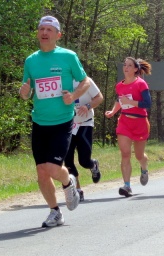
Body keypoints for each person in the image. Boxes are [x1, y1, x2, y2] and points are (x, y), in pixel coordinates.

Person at [19, 16, 90, 227]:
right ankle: (55, 212)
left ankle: (69, 182)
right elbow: (26, 92)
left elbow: (85, 81)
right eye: (41, 28)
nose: (44, 33)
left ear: (58, 35)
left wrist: (73, 95)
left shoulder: (68, 57)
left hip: (62, 120)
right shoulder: (31, 60)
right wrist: (24, 92)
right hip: (40, 122)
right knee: (41, 172)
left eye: (49, 29)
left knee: (51, 167)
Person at [104, 57, 152, 197]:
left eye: (130, 65)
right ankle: (127, 186)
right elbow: (120, 101)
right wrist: (113, 111)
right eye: (125, 65)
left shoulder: (141, 84)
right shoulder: (119, 85)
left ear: (136, 69)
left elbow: (147, 103)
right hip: (125, 122)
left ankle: (144, 167)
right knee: (125, 154)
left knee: (138, 155)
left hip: (140, 122)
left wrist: (131, 101)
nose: (126, 67)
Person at [64, 78, 104, 201]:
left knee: (84, 161)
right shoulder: (60, 80)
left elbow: (99, 97)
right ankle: (78, 190)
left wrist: (88, 106)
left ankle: (93, 165)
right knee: (68, 161)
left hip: (84, 123)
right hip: (66, 124)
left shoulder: (85, 81)